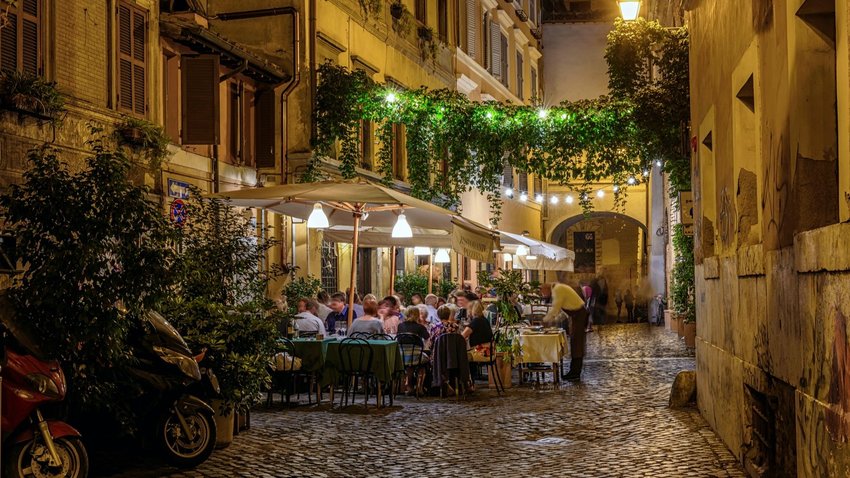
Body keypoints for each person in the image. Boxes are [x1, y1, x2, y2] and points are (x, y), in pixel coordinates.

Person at [543, 283, 590, 382]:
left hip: (579, 315)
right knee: (575, 343)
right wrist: (555, 320)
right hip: (576, 316)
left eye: (543, 292)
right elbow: (563, 311)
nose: (543, 294)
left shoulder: (557, 290)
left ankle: (575, 373)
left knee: (577, 344)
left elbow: (556, 308)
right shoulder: (558, 289)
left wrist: (545, 320)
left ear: (547, 289)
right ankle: (574, 371)